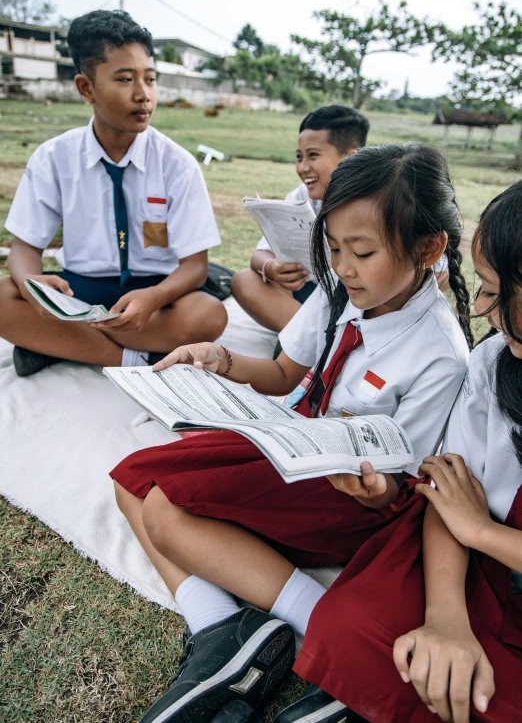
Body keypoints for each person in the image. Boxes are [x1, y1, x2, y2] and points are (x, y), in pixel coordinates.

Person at [110, 143, 472, 723]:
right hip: (291, 443)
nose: (344, 266)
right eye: (332, 249)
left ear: (428, 249)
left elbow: (401, 487)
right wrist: (219, 361)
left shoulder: (440, 354)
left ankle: (314, 618)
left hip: (347, 500)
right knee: (131, 479)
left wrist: (372, 489)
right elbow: (284, 374)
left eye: (362, 251)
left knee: (162, 510)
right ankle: (221, 626)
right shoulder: (344, 293)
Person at [287, 179, 522, 723]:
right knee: (346, 626)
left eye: (496, 290)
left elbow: (466, 517)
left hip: (488, 549)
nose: (481, 308)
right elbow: (447, 487)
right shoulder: (492, 368)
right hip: (481, 579)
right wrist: (445, 618)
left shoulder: (439, 351)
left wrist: (481, 530)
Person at [0, 10, 226, 377]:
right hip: (79, 290)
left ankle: (63, 344)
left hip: (154, 294)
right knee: (3, 296)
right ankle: (132, 360)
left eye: (150, 80)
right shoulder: (54, 158)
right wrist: (32, 288)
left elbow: (195, 267)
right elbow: (25, 248)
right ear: (86, 88)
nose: (143, 95)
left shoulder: (177, 164)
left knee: (209, 314)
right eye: (125, 80)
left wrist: (154, 298)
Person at [230, 105, 369, 333]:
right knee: (244, 280)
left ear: (349, 158)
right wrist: (272, 268)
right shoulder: (302, 196)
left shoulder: (378, 202)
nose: (303, 168)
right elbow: (259, 255)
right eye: (299, 157)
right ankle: (314, 340)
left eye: (313, 156)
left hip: (364, 304)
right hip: (315, 297)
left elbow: (438, 273)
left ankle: (321, 342)